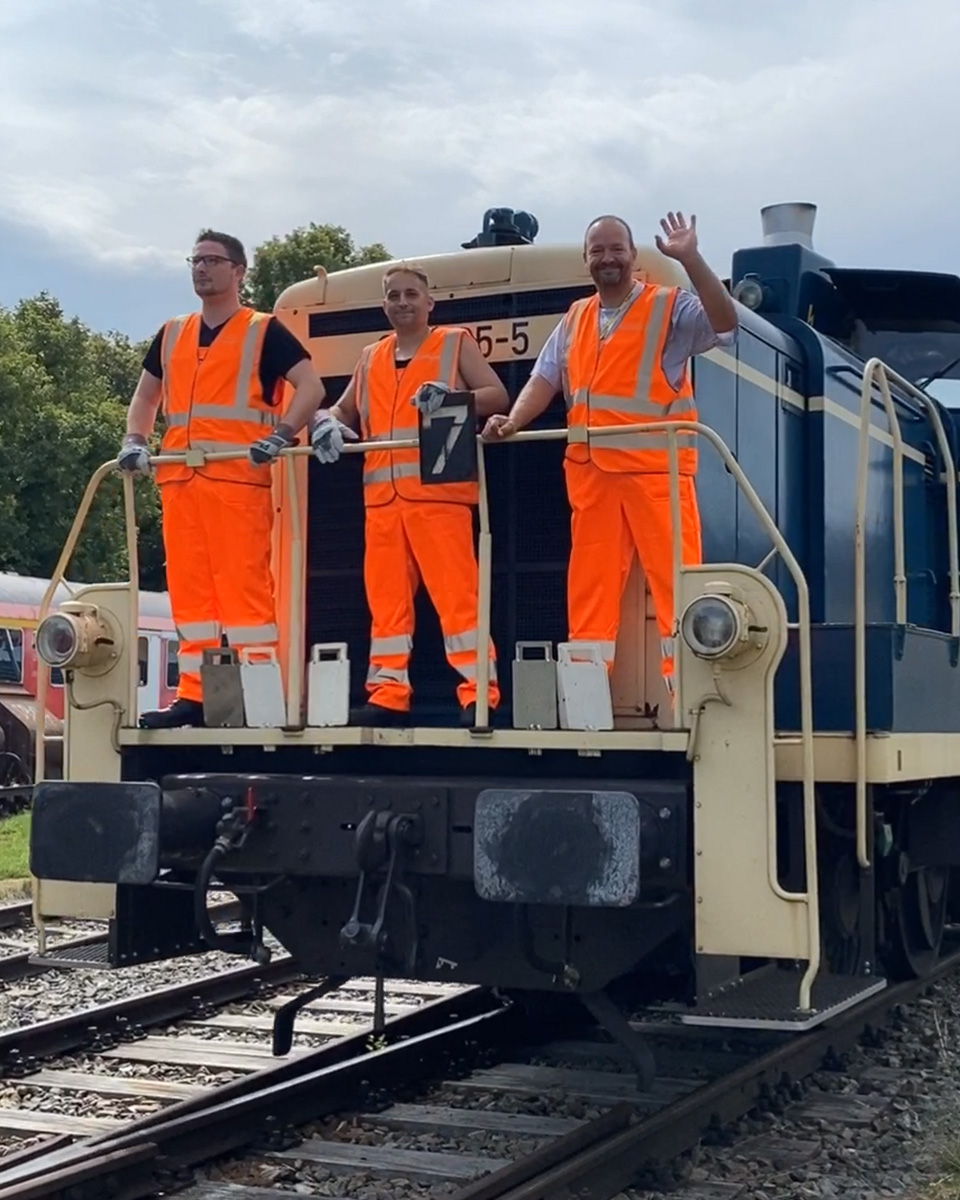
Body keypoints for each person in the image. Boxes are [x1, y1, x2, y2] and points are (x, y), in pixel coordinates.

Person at [482, 211, 738, 700]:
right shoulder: (576, 318)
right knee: (589, 594)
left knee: (678, 586)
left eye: (616, 248)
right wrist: (514, 421)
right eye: (597, 250)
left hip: (655, 473)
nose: (607, 258)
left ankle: (691, 699)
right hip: (591, 476)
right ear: (586, 260)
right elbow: (545, 378)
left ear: (633, 256)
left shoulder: (669, 308)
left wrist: (690, 257)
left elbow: (725, 325)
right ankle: (585, 699)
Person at [118, 229, 325, 729]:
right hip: (181, 485)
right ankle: (195, 696)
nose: (201, 269)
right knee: (191, 599)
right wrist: (135, 440)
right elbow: (147, 397)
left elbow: (311, 386)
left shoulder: (263, 330)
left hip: (237, 483)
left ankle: (260, 701)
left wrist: (281, 434)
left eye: (212, 261)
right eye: (196, 260)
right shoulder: (173, 333)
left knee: (246, 597)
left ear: (238, 271)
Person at [312, 262, 510, 727]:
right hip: (382, 502)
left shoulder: (454, 343)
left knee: (459, 603)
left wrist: (452, 398)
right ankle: (387, 695)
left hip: (440, 496)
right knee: (386, 607)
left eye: (410, 295)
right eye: (394, 296)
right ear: (384, 304)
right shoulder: (370, 357)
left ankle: (478, 695)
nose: (402, 302)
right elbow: (344, 410)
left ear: (429, 303)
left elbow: (497, 395)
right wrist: (325, 423)